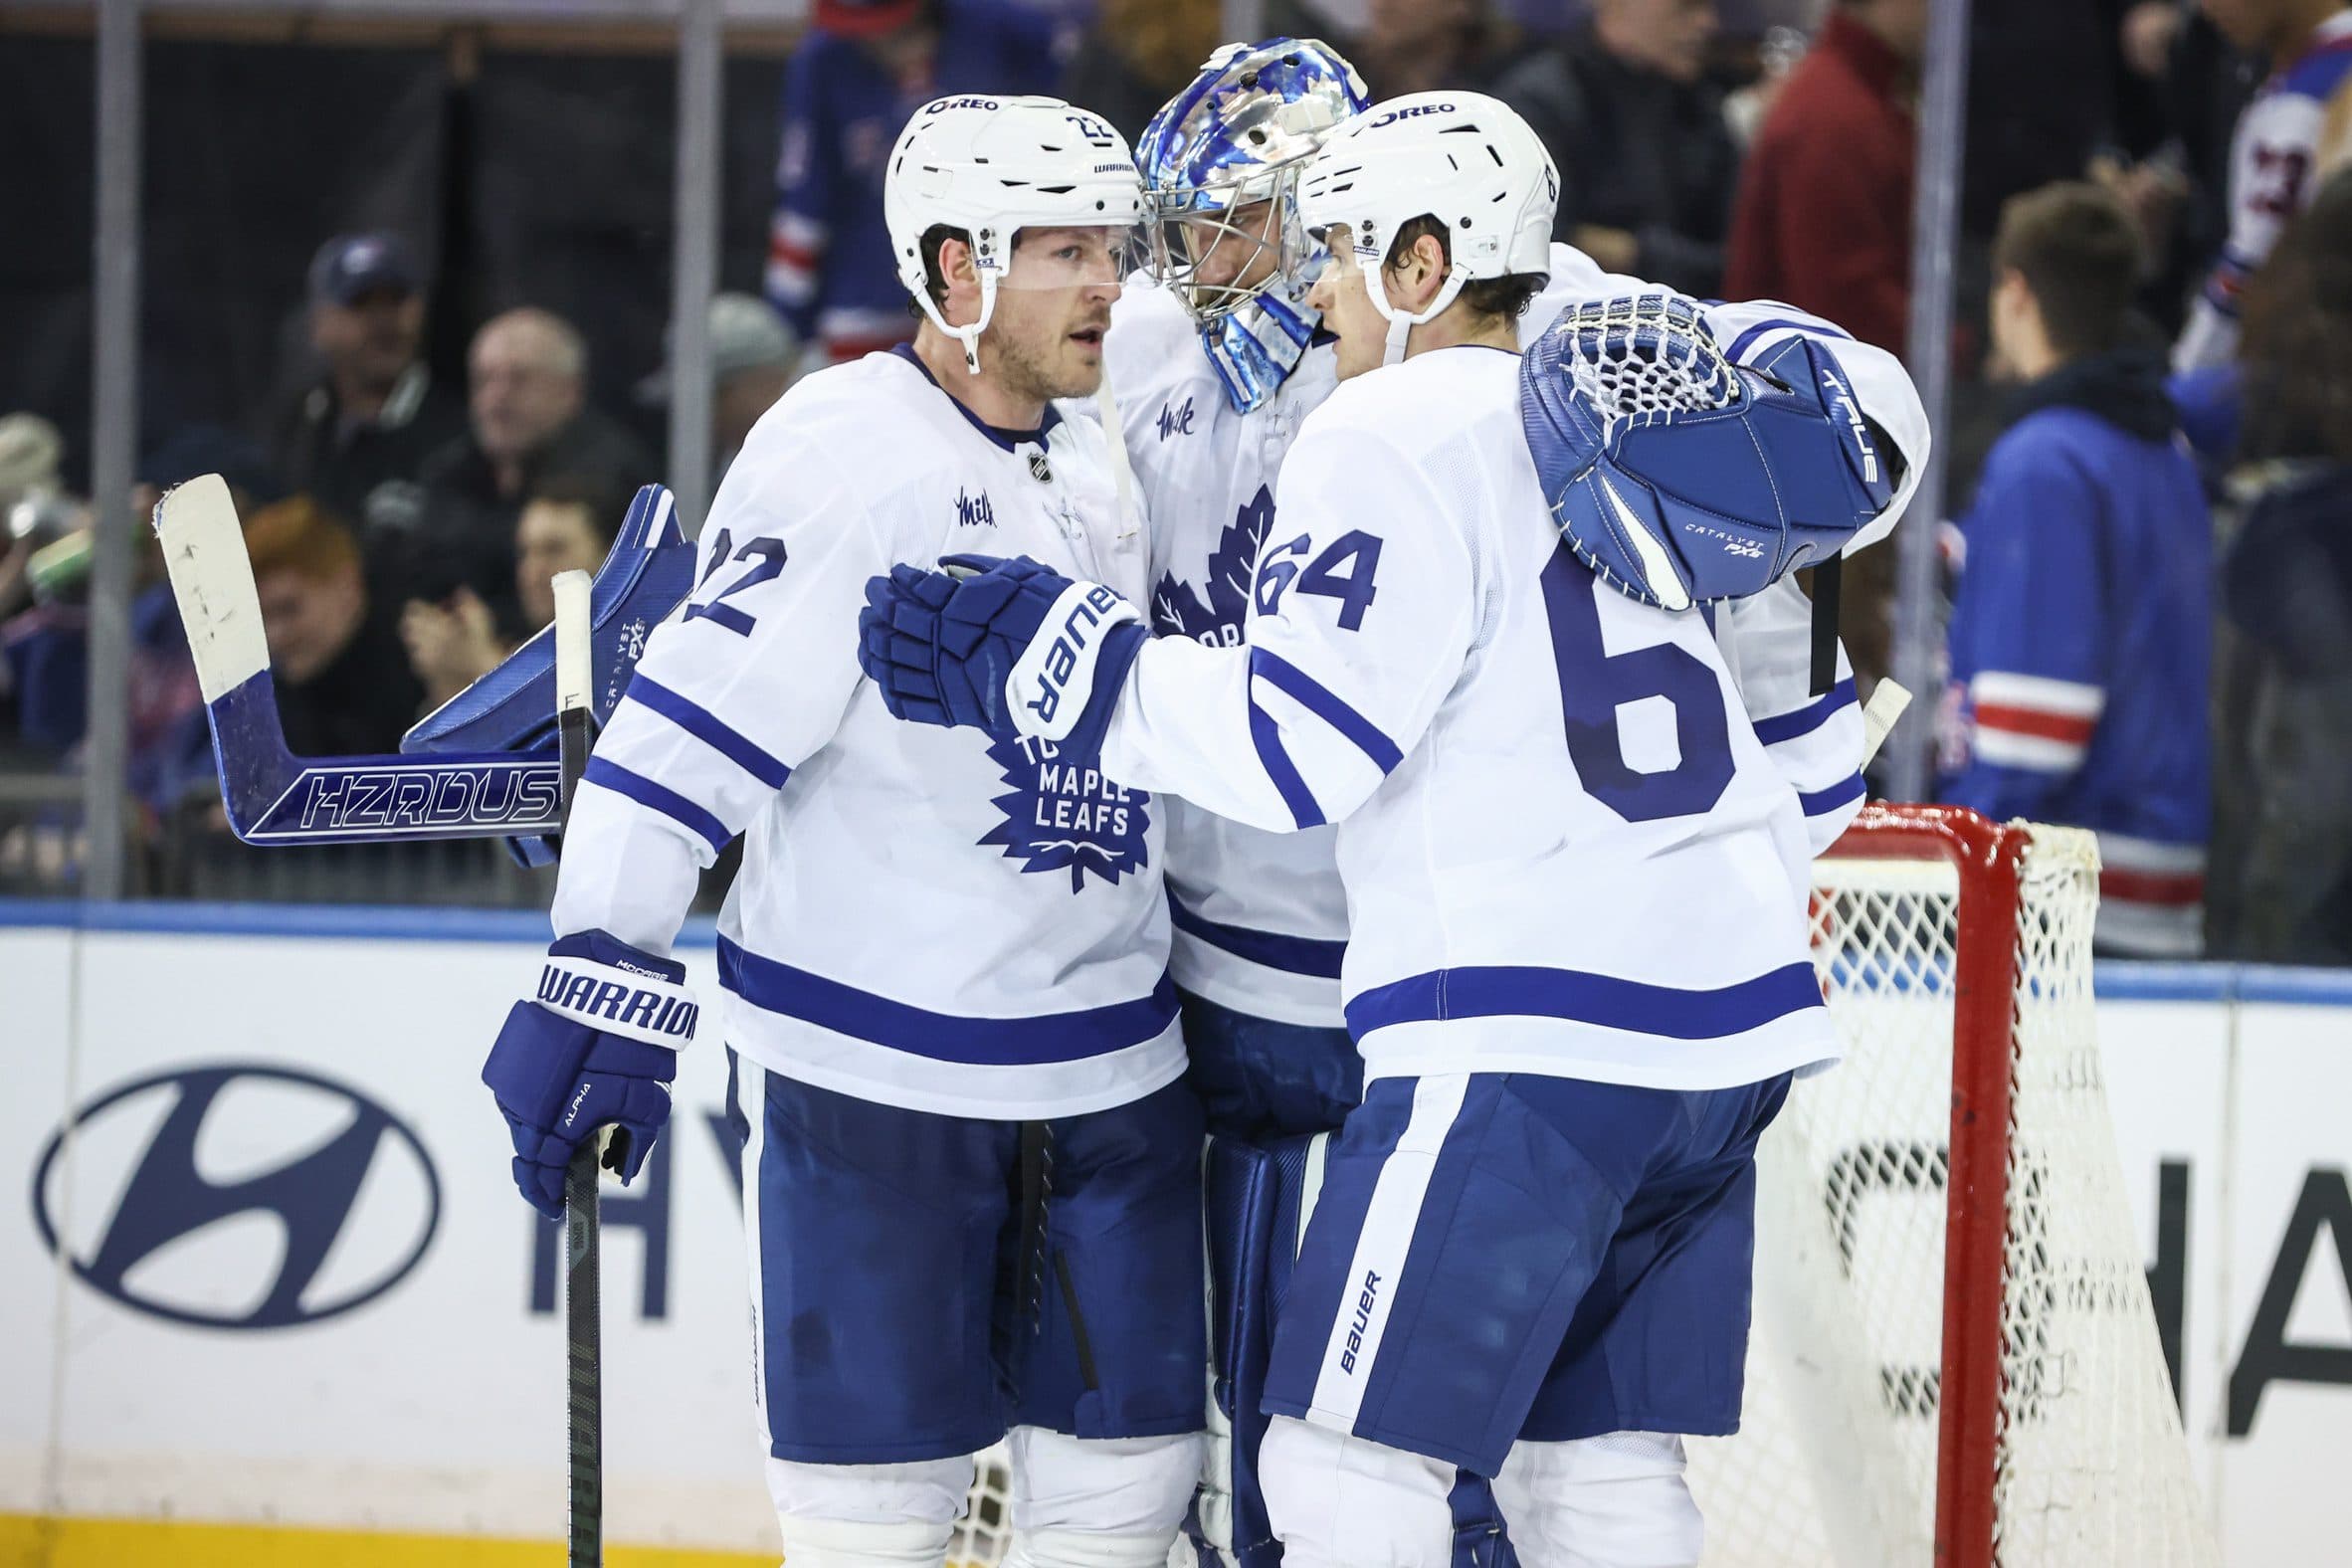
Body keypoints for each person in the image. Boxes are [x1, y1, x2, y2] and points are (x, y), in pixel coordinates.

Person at [861, 91, 1926, 1568]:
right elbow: (1862, 456)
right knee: (1600, 1476)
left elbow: (1300, 753)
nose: (1313, 293)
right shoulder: (1623, 373)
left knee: (1340, 1475)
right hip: (1732, 1015)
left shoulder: (1390, 422)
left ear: (1425, 263)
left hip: (1532, 1024)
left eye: (1340, 255)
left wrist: (1057, 665)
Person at [478, 96, 1205, 1568]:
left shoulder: (1107, 446)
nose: (1107, 284)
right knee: (877, 1525)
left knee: (1131, 1498)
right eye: (1063, 251)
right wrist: (599, 958)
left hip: (1117, 1063)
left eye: (1111, 248)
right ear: (955, 273)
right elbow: (687, 730)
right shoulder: (840, 450)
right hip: (878, 1081)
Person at [1937, 183, 2212, 957]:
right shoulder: (2162, 449)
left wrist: (1946, 859)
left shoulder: (2044, 462)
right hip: (2156, 871)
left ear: (2015, 292)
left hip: (2064, 894)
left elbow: (2034, 730)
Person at [764, 0, 1066, 367]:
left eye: (902, 30)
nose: (879, 39)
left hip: (988, 295)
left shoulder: (1005, 32)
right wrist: (783, 327)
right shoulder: (822, 60)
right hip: (865, 308)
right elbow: (804, 205)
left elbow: (1056, 159)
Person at [411, 307, 653, 634]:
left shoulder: (610, 475)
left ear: (570, 391)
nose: (497, 397)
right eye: (485, 380)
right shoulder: (448, 471)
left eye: (520, 379)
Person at [1723, 0, 1928, 357]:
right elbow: (1847, 304)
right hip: (1810, 393)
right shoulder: (1832, 115)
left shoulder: (1862, 97)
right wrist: (1960, 346)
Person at [1493, 0, 1741, 295]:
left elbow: (1741, 258)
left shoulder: (1699, 109)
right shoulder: (1539, 104)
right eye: (1686, 6)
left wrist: (1630, 252)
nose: (1708, 23)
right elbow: (1536, 251)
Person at [2173, 0, 2352, 372]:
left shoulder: (2311, 98)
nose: (2207, 8)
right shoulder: (2298, 74)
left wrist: (2183, 380)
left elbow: (2251, 267)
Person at [269, 233, 468, 538]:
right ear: (319, 324)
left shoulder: (459, 433)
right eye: (361, 304)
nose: (384, 323)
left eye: (396, 301)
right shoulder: (300, 425)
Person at [400, 472, 626, 711]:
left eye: (554, 549)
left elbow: (573, 731)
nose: (533, 571)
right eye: (525, 552)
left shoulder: (632, 650)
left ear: (610, 555)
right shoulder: (519, 649)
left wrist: (484, 664)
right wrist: (447, 678)